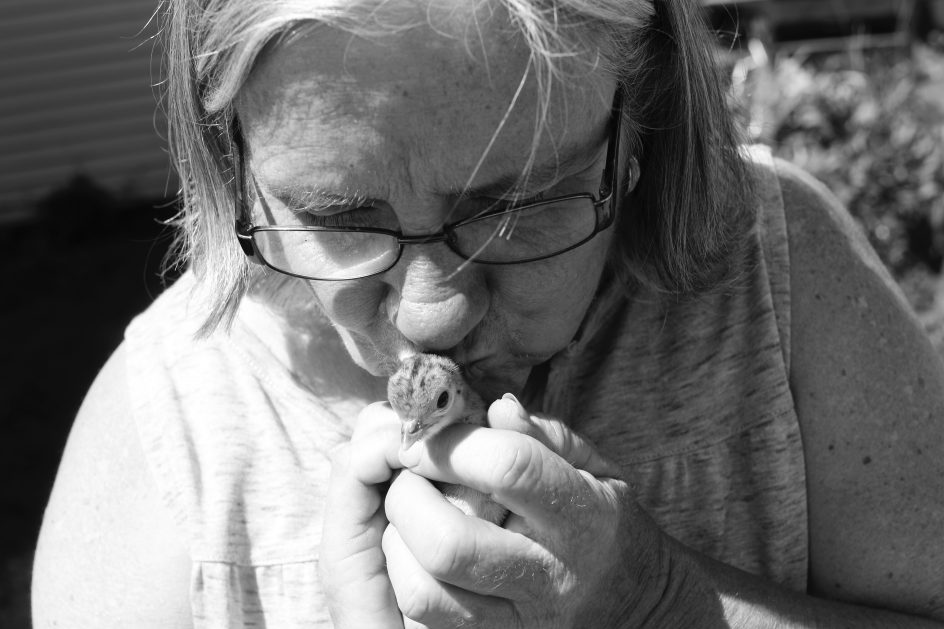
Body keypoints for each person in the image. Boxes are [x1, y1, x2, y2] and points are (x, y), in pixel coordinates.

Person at [31, 0, 944, 627]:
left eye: (519, 206)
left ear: (644, 121)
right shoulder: (167, 450)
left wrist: (663, 607)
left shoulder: (780, 282)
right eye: (339, 217)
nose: (431, 317)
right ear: (228, 163)